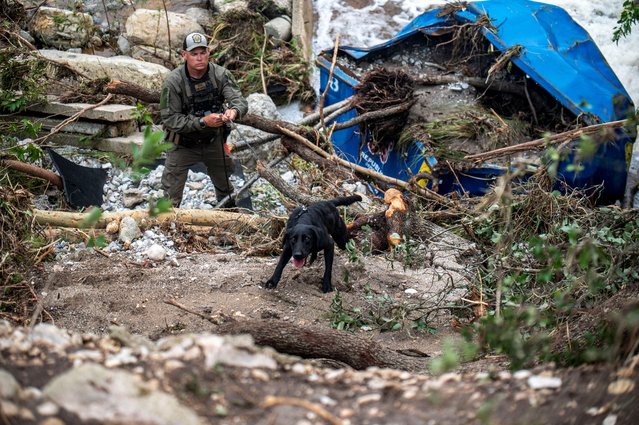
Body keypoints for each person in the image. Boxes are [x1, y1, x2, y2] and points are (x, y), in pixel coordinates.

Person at [160, 32, 249, 208]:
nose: (199, 58)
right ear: (184, 55)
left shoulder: (221, 74)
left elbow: (240, 101)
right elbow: (170, 118)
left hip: (212, 141)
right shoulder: (173, 81)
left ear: (209, 52)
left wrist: (233, 111)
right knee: (170, 196)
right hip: (182, 144)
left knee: (225, 189)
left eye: (203, 52)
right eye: (194, 54)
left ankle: (230, 220)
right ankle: (167, 229)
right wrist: (202, 122)